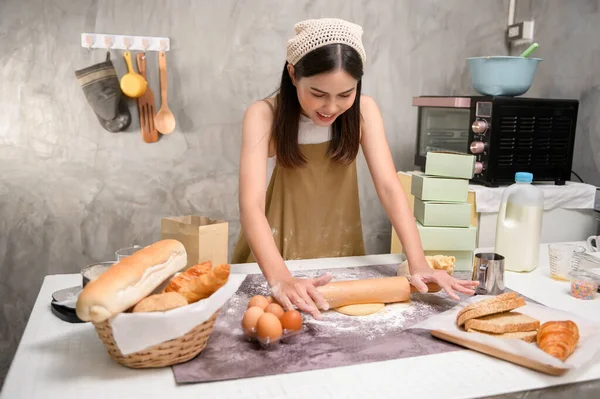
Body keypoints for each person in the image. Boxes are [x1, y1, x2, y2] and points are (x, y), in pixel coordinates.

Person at [232, 18, 478, 319]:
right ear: (293, 74)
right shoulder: (264, 115)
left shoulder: (363, 112)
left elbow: (389, 188)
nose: (331, 108)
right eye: (318, 94)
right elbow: (251, 205)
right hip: (275, 260)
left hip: (341, 257)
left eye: (345, 94)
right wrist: (280, 278)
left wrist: (419, 263)